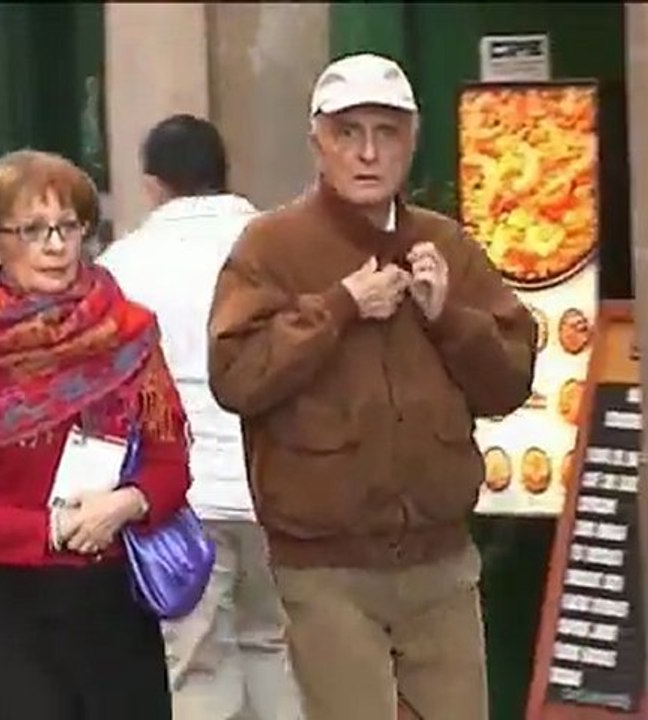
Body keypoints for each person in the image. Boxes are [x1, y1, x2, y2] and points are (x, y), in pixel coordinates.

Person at [207, 54, 538, 720]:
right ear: (318, 142)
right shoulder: (270, 246)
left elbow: (510, 382)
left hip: (442, 560)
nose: (366, 152)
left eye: (385, 132)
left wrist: (449, 316)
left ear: (411, 140)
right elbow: (237, 376)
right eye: (347, 132)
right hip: (325, 568)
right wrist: (338, 306)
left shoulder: (447, 244)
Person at [0, 149, 192, 720]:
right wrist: (54, 528)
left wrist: (126, 504)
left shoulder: (127, 333)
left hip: (111, 607)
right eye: (33, 230)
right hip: (1, 611)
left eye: (69, 226)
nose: (57, 245)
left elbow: (170, 464)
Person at [99, 114, 303, 720]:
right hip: (275, 484)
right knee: (275, 651)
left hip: (181, 498)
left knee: (197, 668)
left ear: (153, 184)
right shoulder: (280, 247)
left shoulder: (123, 264)